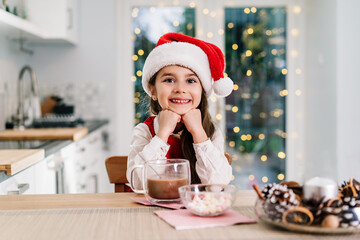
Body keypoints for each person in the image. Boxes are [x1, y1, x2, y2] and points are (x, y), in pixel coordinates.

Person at [126, 33, 234, 187]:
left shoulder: (211, 132)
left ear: (202, 90)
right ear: (153, 90)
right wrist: (162, 134)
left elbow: (218, 184)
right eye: (169, 80)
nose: (180, 89)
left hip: (194, 210)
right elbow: (139, 184)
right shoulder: (144, 131)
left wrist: (198, 133)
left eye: (190, 81)